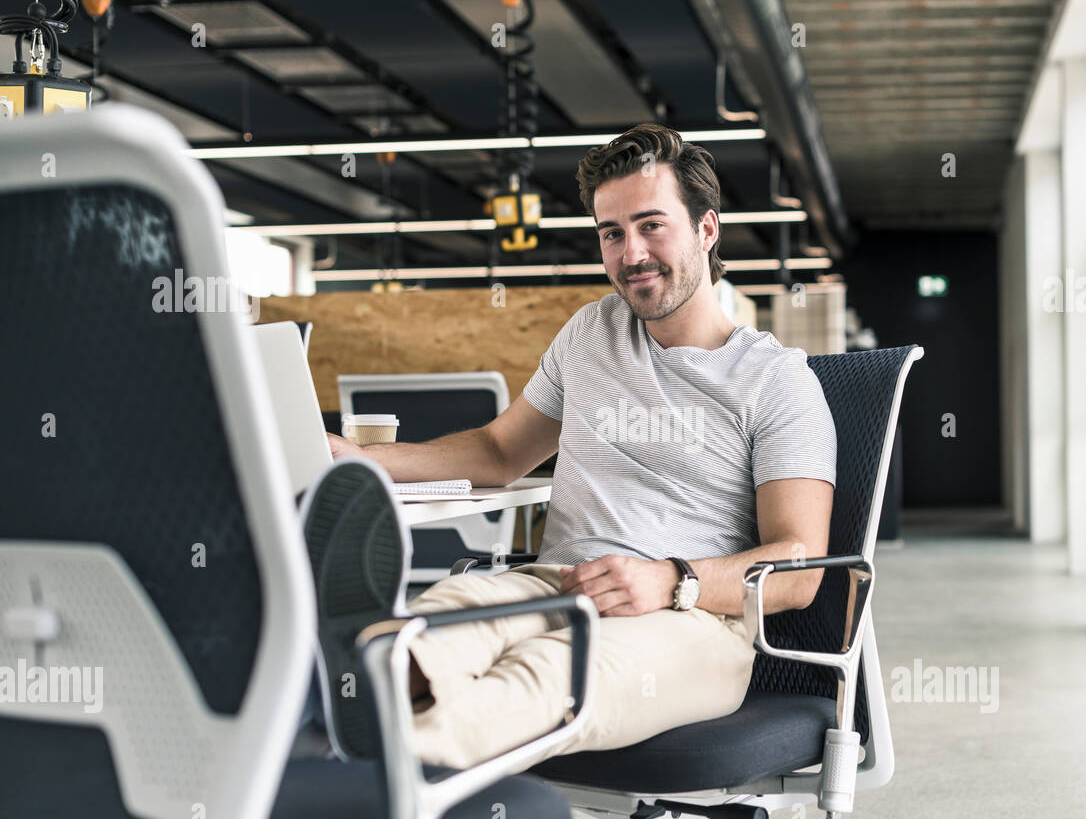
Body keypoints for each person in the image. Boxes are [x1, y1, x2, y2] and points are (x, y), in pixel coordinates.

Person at [322, 123, 837, 770]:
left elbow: (801, 569)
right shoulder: (589, 332)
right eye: (611, 233)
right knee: (418, 638)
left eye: (652, 225)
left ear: (707, 230)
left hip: (692, 625)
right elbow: (497, 452)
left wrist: (670, 581)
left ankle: (358, 788)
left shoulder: (775, 378)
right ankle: (344, 740)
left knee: (539, 676)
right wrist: (357, 458)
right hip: (552, 583)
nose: (631, 253)